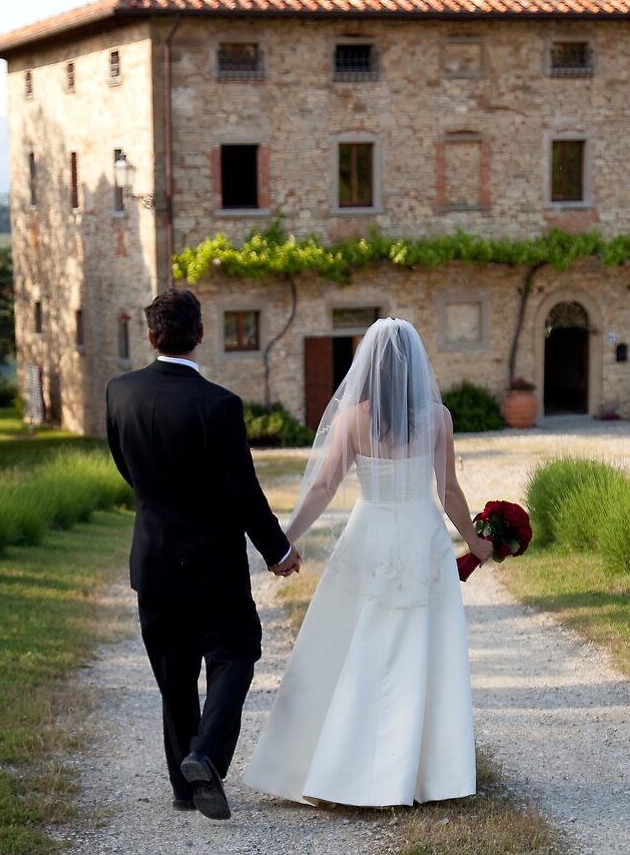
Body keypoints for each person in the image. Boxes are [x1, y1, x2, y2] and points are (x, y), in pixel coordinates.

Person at [243, 317, 492, 807]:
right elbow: (449, 491)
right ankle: (424, 774)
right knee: (422, 652)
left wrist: (283, 541)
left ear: (369, 367)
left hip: (369, 538)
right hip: (422, 540)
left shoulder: (353, 418)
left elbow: (323, 486)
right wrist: (475, 541)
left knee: (356, 650)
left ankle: (341, 769)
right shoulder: (437, 418)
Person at [105, 288, 301, 820]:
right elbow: (242, 491)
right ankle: (206, 757)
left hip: (153, 562)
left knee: (174, 674)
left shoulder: (119, 393)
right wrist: (278, 550)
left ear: (150, 336)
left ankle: (183, 787)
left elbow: (128, 468)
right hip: (214, 565)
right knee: (236, 654)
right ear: (201, 334)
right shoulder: (218, 404)